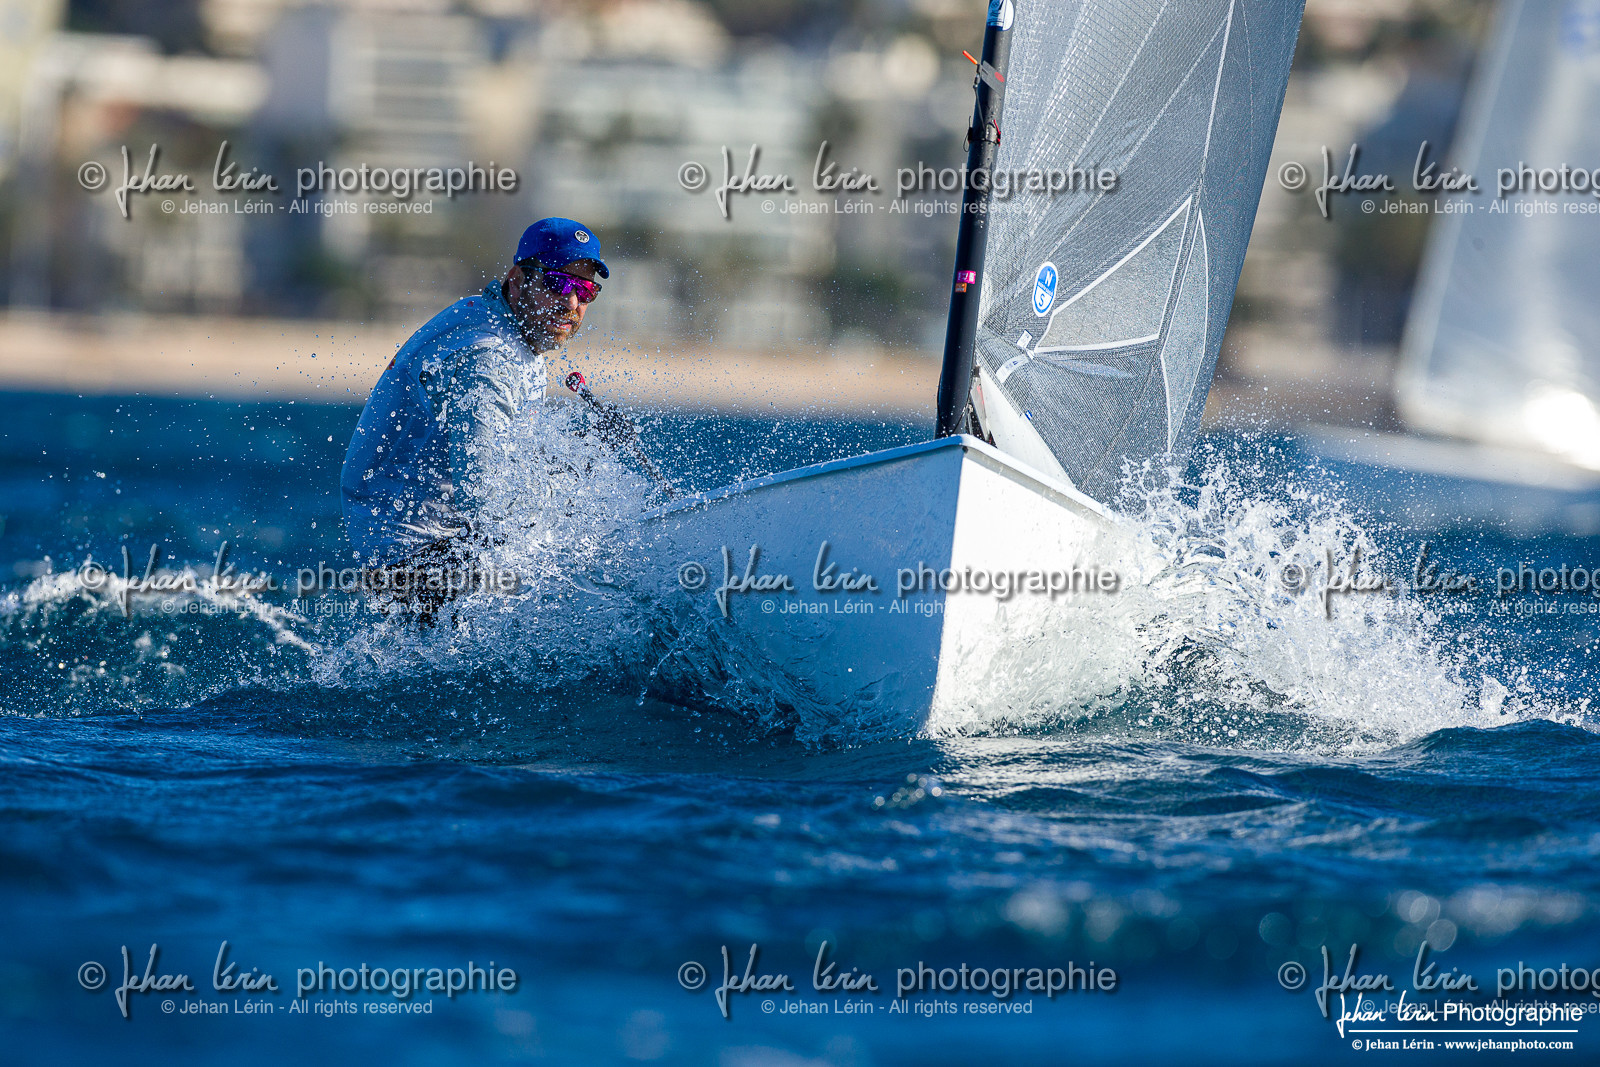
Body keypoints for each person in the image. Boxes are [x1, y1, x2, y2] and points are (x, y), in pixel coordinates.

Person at [340, 217, 610, 617]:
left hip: (440, 545)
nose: (572, 303)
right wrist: (573, 490)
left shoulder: (510, 332)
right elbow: (484, 496)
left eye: (585, 290)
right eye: (557, 283)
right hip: (412, 562)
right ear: (518, 280)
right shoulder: (487, 356)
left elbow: (504, 468)